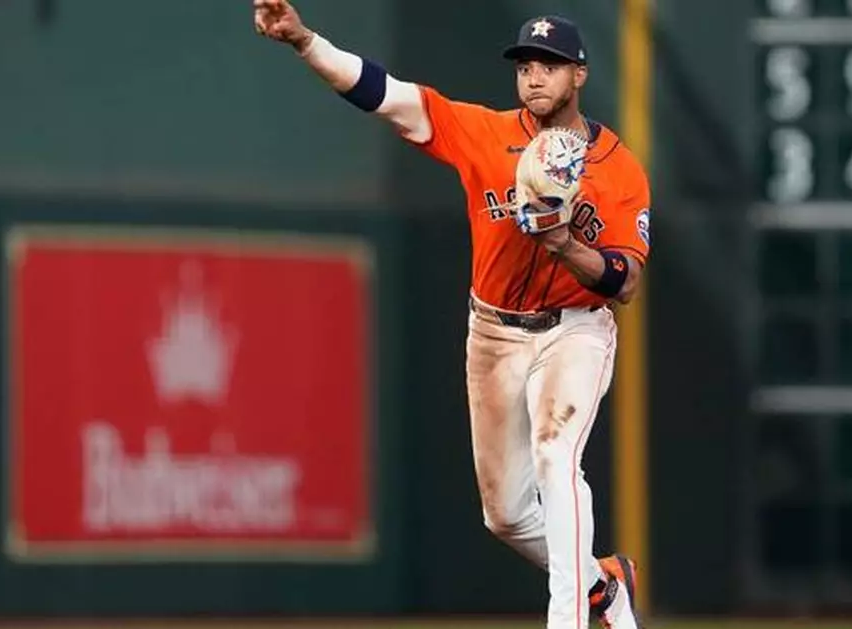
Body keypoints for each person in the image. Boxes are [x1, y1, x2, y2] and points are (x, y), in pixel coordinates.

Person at [253, 2, 651, 627]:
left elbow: (625, 281)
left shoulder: (619, 169)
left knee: (555, 454)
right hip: (493, 330)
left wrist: (565, 245)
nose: (535, 77)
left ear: (580, 75)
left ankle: (572, 620)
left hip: (575, 329)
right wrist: (306, 41)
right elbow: (383, 94)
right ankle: (604, 585)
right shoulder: (484, 134)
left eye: (551, 65)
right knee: (507, 516)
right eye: (526, 65)